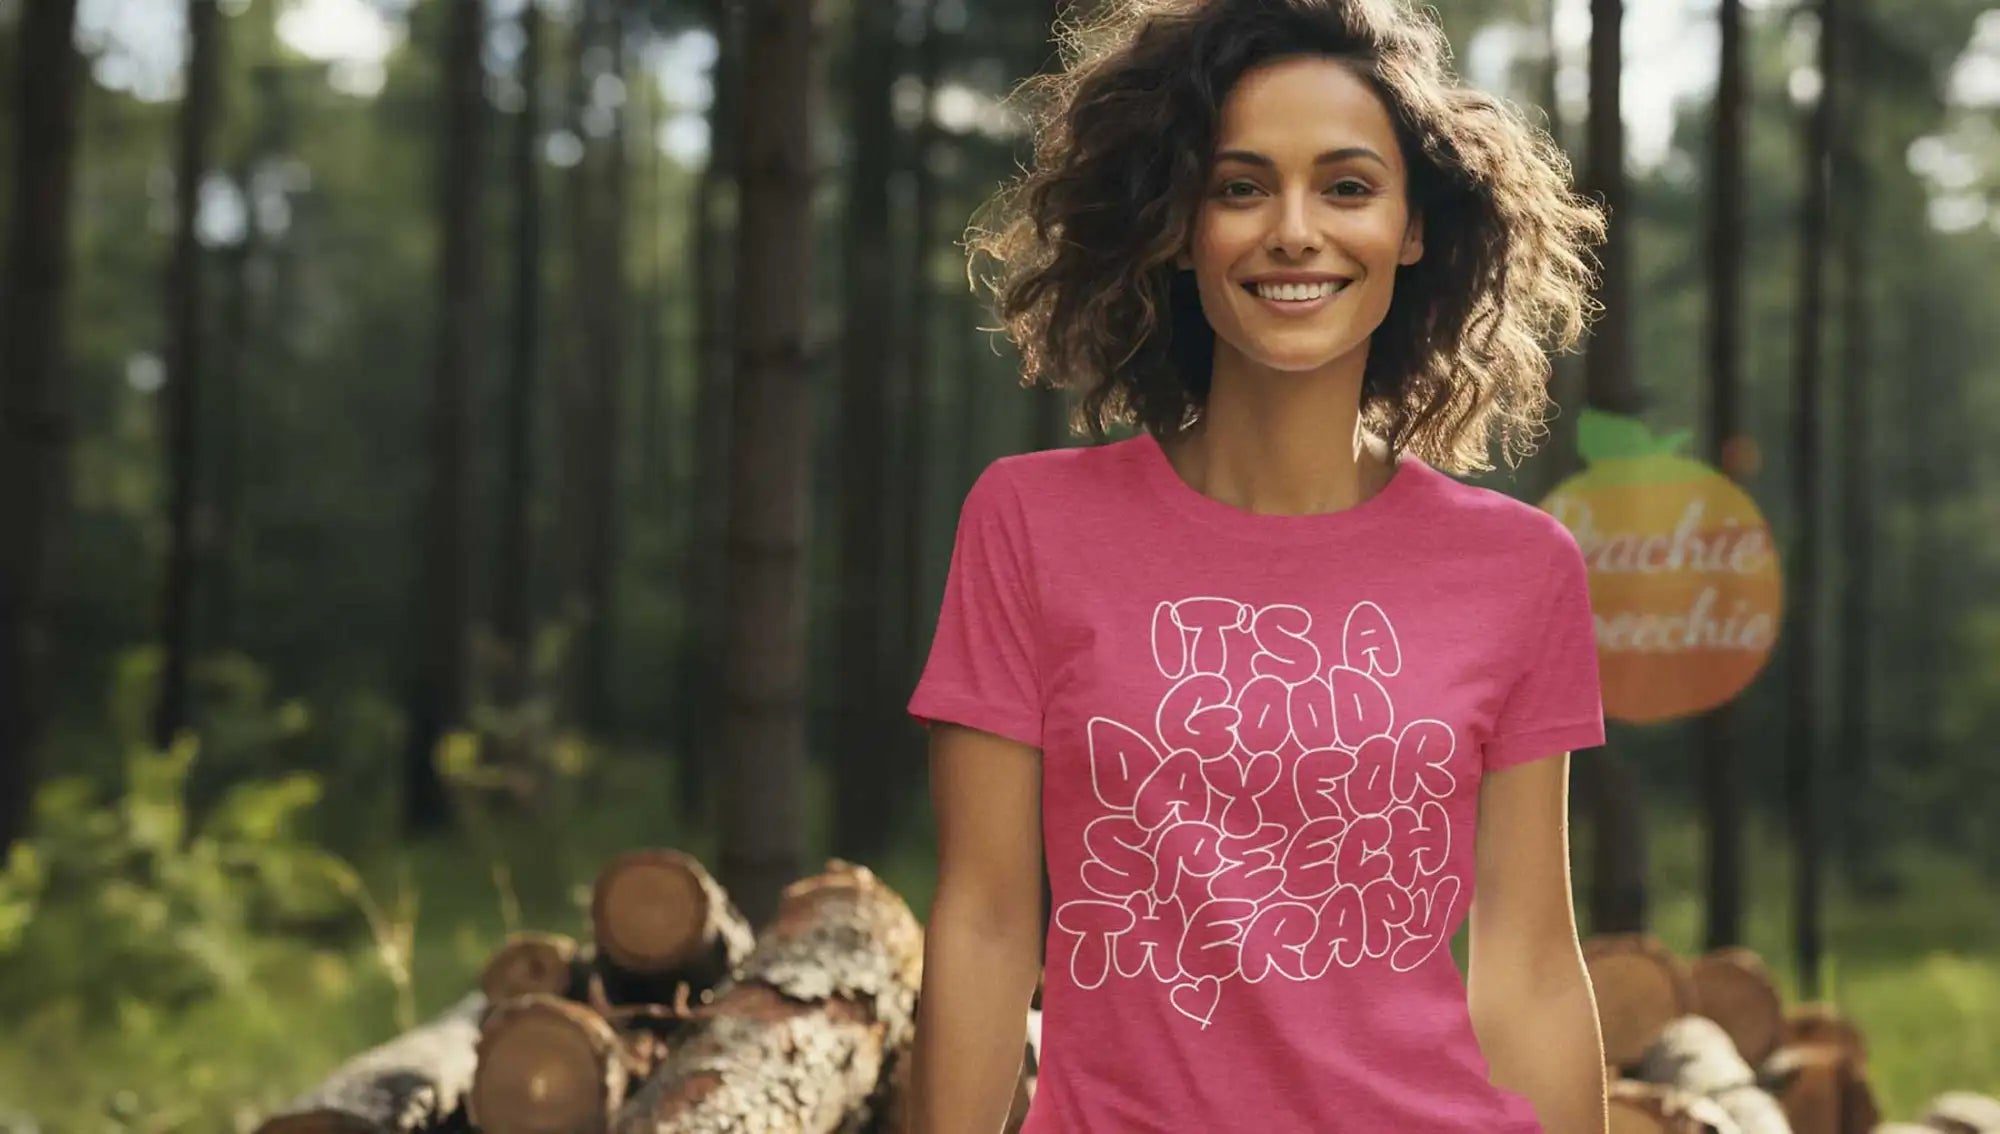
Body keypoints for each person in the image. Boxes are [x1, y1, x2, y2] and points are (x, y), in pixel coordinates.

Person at [903, 0, 1610, 1130]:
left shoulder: (1519, 567)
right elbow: (986, 919)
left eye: (1344, 186)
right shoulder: (1029, 524)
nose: (1293, 230)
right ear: (1179, 224)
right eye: (1239, 187)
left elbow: (1524, 961)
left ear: (1411, 227)